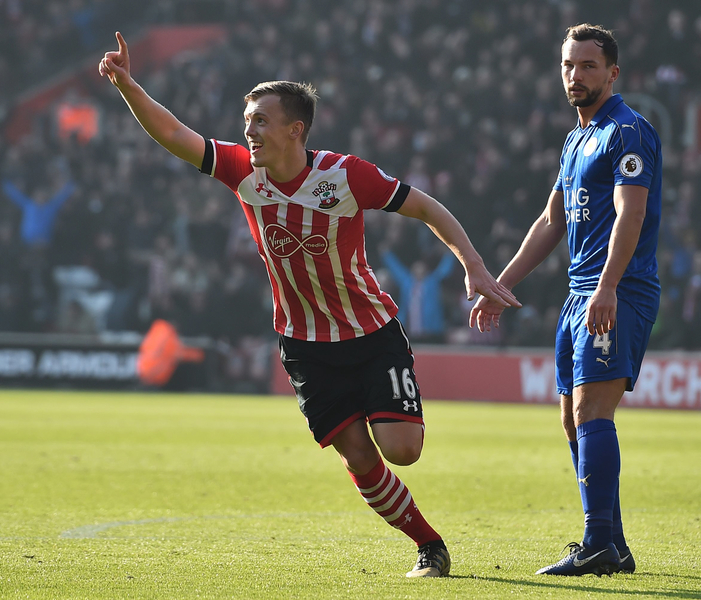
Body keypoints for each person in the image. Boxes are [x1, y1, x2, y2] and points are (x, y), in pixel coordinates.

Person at [98, 31, 519, 578]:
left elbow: (427, 208)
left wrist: (474, 265)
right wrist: (129, 87)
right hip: (305, 345)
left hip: (370, 332)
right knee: (359, 459)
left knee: (403, 449)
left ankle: (394, 421)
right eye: (247, 121)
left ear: (295, 130)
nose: (248, 131)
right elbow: (175, 134)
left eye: (260, 121)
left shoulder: (346, 176)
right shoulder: (242, 173)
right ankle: (429, 546)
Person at [471, 23, 662, 576]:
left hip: (617, 289)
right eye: (568, 66)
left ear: (613, 73)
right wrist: (499, 283)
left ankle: (597, 541)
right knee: (571, 420)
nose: (575, 76)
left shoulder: (628, 131)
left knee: (591, 411)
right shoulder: (576, 138)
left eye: (587, 66)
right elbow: (553, 218)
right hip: (581, 293)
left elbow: (633, 213)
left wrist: (606, 286)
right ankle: (613, 543)